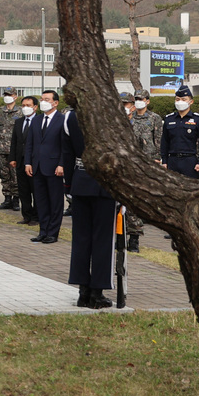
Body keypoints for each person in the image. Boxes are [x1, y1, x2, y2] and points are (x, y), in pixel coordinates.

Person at [62, 99, 115, 309]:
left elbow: (67, 154)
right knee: (102, 240)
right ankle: (97, 292)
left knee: (81, 239)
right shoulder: (111, 115)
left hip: (80, 181)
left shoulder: (70, 117)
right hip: (105, 183)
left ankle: (82, 292)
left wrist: (68, 186)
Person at [24, 89, 67, 244]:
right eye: (42, 99)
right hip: (37, 166)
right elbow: (30, 143)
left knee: (55, 202)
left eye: (47, 99)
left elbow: (65, 145)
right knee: (41, 201)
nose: (43, 101)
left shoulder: (62, 119)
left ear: (55, 103)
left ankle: (53, 233)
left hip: (54, 167)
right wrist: (28, 162)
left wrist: (62, 164)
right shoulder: (37, 120)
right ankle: (43, 231)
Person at [124, 87, 162, 252]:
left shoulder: (154, 118)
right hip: (127, 163)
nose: (139, 101)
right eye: (136, 99)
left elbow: (159, 140)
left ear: (147, 101)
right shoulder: (126, 119)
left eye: (141, 98)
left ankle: (134, 238)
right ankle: (123, 236)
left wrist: (158, 159)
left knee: (140, 199)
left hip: (146, 163)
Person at [161, 86, 199, 181]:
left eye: (183, 99)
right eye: (177, 99)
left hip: (190, 161)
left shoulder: (198, 119)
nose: (180, 102)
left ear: (191, 102)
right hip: (172, 160)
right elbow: (164, 141)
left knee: (191, 190)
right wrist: (164, 161)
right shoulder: (169, 119)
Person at [9, 96, 39, 226]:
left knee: (36, 190)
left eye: (28, 105)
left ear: (35, 107)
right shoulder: (19, 122)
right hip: (20, 161)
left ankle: (36, 216)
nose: (25, 108)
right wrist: (13, 158)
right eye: (24, 105)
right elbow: (15, 141)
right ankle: (26, 215)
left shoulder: (39, 121)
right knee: (23, 190)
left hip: (34, 161)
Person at [0, 87, 21, 210]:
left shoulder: (20, 112)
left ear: (15, 96)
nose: (7, 97)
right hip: (1, 149)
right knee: (4, 175)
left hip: (15, 150)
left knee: (15, 176)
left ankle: (16, 200)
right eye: (5, 94)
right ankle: (7, 199)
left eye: (9, 94)